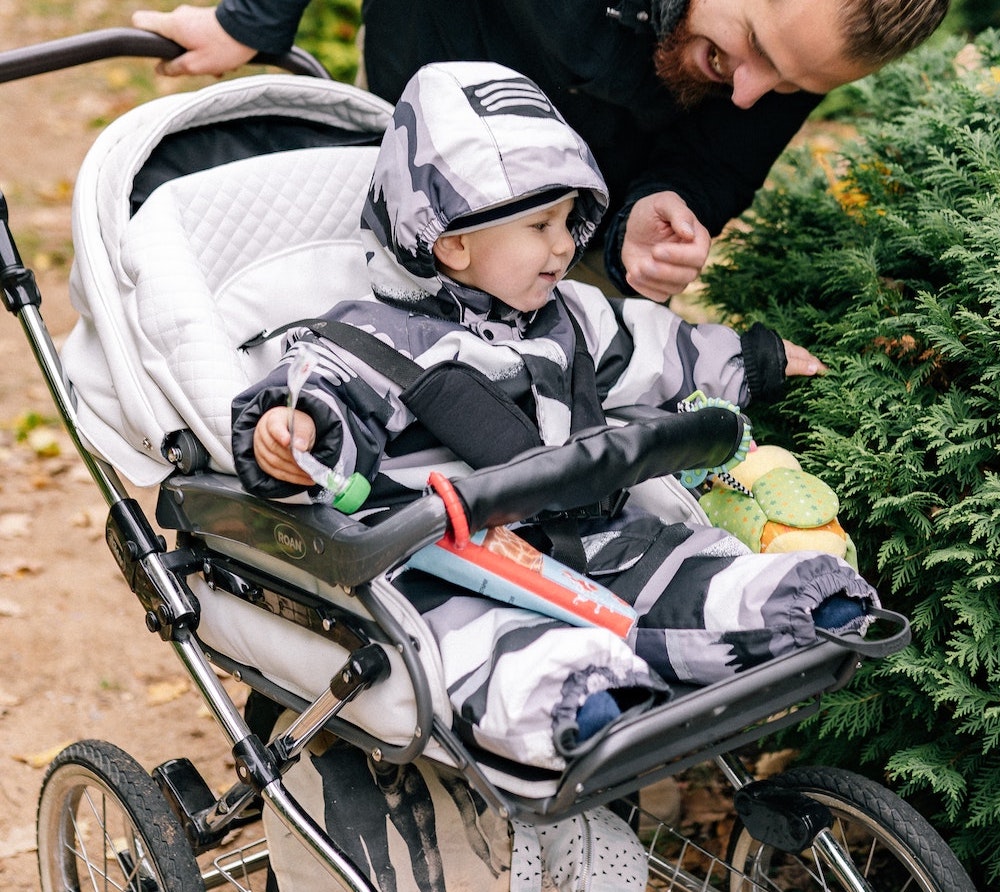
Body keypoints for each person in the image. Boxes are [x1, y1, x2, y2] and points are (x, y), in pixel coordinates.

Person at [231, 60, 878, 775]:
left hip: (595, 538)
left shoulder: (568, 316)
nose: (566, 244)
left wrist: (749, 361)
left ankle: (786, 609)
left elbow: (655, 350)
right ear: (452, 240)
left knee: (687, 565)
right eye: (541, 225)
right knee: (496, 649)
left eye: (569, 220)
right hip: (453, 568)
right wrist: (294, 433)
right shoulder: (371, 340)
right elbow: (321, 389)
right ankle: (585, 700)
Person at [132, 0, 950, 301]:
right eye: (756, 49)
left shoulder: (789, 55)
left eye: (790, 86)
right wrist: (250, 22)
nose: (749, 93)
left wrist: (656, 214)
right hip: (426, 124)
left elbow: (716, 162)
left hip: (583, 220)